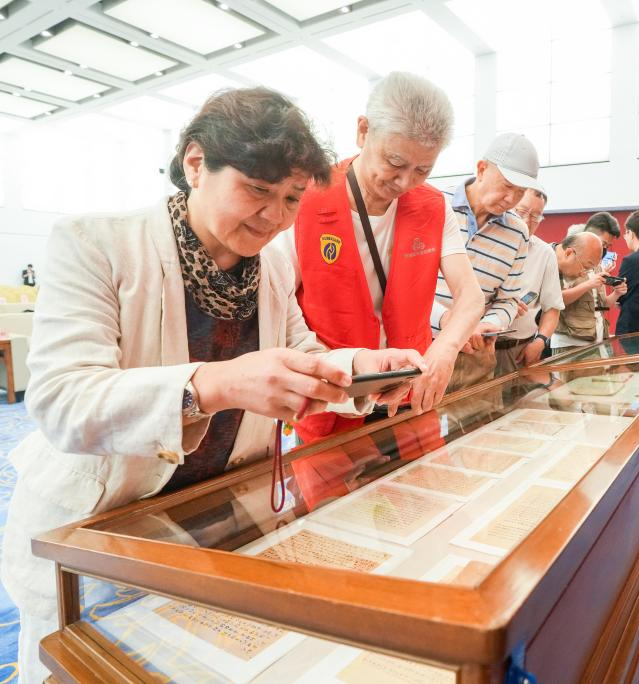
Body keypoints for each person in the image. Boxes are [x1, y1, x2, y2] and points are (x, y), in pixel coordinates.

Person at [1, 88, 425, 683]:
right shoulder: (98, 244)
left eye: (292, 198)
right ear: (196, 164)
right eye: (257, 190)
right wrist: (213, 384)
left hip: (215, 521)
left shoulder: (272, 264)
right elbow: (62, 400)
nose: (275, 217)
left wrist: (357, 369)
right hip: (97, 532)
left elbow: (302, 352)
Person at [281, 72, 483, 441]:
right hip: (332, 397)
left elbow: (471, 298)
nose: (405, 182)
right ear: (363, 131)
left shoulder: (434, 207)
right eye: (394, 162)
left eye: (422, 170)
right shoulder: (303, 200)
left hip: (408, 395)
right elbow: (280, 307)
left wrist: (445, 350)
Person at [431, 133, 542, 389]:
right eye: (507, 186)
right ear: (482, 169)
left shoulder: (518, 232)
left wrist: (489, 324)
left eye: (520, 192)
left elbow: (508, 300)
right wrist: (448, 320)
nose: (512, 199)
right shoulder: (435, 205)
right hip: (422, 347)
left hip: (475, 355)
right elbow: (402, 285)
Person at [494, 188, 564, 375]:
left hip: (520, 350)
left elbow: (553, 307)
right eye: (521, 211)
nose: (527, 220)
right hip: (481, 347)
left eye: (535, 216)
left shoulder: (545, 253)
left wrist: (540, 342)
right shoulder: (489, 243)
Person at [550, 212, 627, 356]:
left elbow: (601, 306)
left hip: (597, 339)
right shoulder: (564, 260)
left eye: (606, 246)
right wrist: (588, 284)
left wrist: (616, 293)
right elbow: (556, 300)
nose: (603, 249)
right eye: (602, 244)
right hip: (570, 343)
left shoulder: (597, 265)